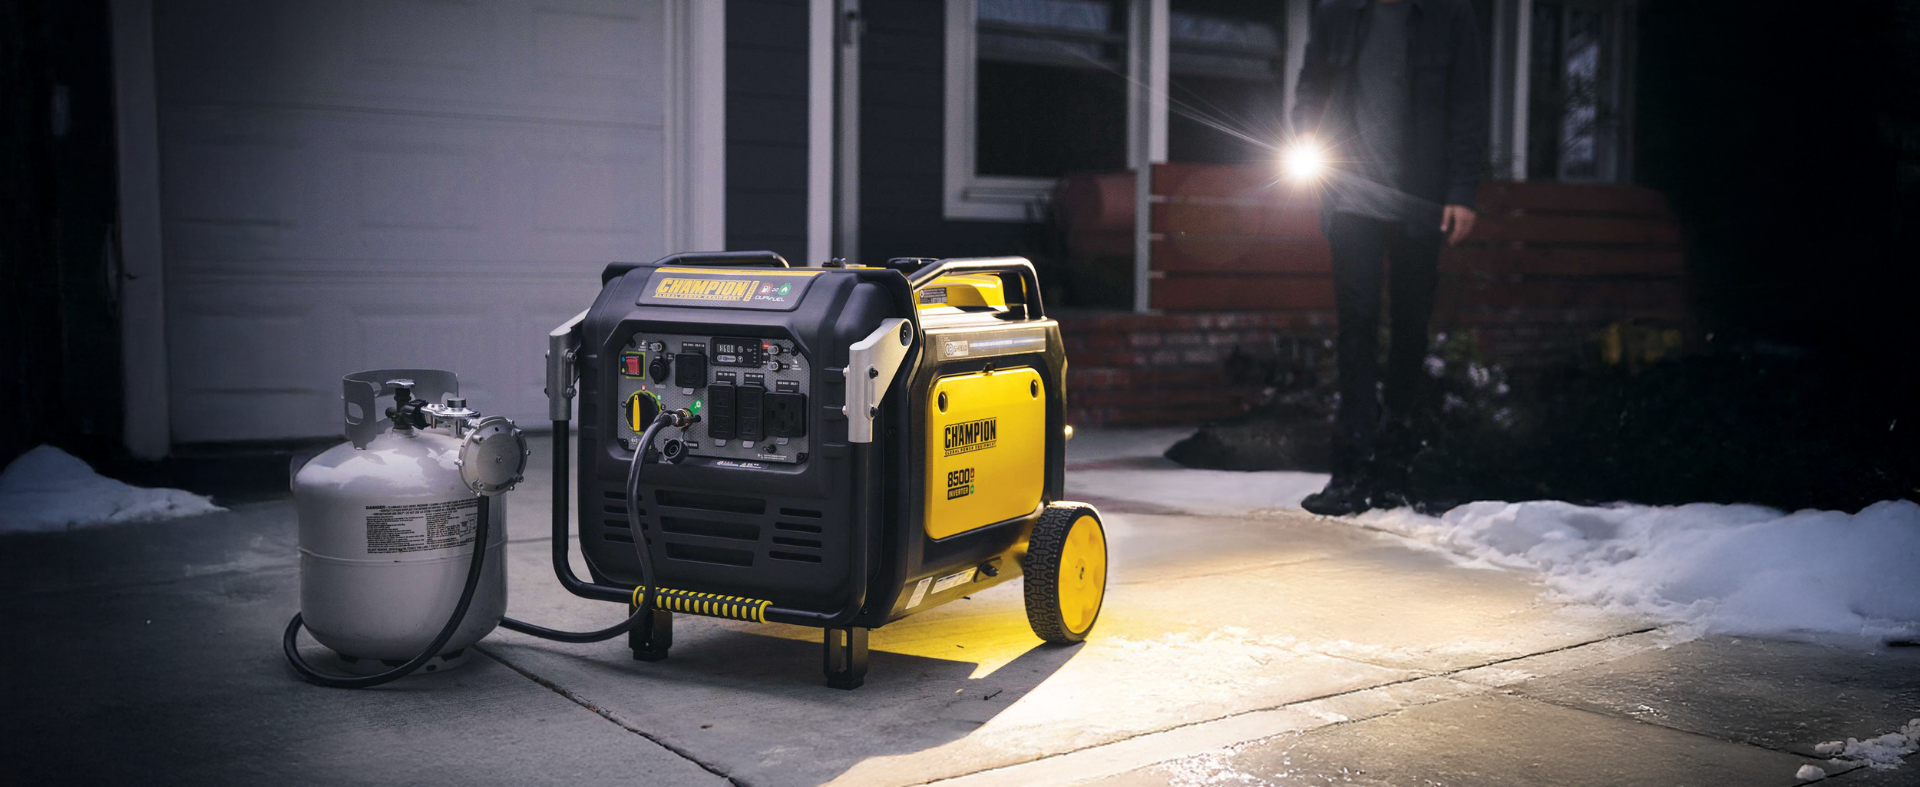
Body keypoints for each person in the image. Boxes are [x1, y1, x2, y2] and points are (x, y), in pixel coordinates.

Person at [1290, 0, 1488, 515]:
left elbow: (1467, 104)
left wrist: (1463, 191)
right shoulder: (1339, 11)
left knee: (1410, 327)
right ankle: (1351, 469)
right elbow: (1311, 81)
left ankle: (1397, 465)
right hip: (1350, 196)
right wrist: (1308, 135)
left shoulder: (1450, 16)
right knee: (1355, 324)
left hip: (1418, 201)